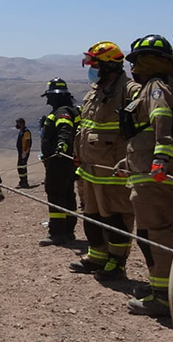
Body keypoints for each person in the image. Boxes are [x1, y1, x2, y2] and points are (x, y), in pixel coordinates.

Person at [121, 35, 173, 317]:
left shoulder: (156, 88)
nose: (134, 67)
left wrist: (160, 160)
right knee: (152, 231)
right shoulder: (164, 85)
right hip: (147, 171)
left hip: (154, 176)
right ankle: (159, 286)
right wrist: (128, 161)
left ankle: (163, 297)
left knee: (158, 233)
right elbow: (145, 135)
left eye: (137, 61)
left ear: (147, 61)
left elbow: (162, 122)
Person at [70, 42, 141, 281]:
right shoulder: (95, 91)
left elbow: (141, 131)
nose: (91, 69)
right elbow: (85, 127)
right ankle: (97, 257)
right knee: (92, 215)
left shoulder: (130, 91)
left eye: (95, 64)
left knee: (116, 216)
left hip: (114, 170)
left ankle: (116, 263)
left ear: (109, 65)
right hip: (90, 169)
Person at [39, 77, 81, 246]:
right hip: (65, 162)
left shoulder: (62, 112)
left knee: (56, 194)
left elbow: (65, 130)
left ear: (56, 96)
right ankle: (68, 231)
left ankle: (57, 233)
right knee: (68, 194)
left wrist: (61, 147)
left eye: (49, 95)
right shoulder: (69, 109)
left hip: (59, 162)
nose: (47, 99)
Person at [15, 118, 33, 188]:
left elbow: (27, 142)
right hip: (21, 152)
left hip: (24, 152)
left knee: (22, 166)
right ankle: (22, 181)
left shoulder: (26, 132)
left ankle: (24, 182)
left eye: (18, 123)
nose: (17, 125)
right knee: (20, 167)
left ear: (22, 123)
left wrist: (24, 152)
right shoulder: (21, 131)